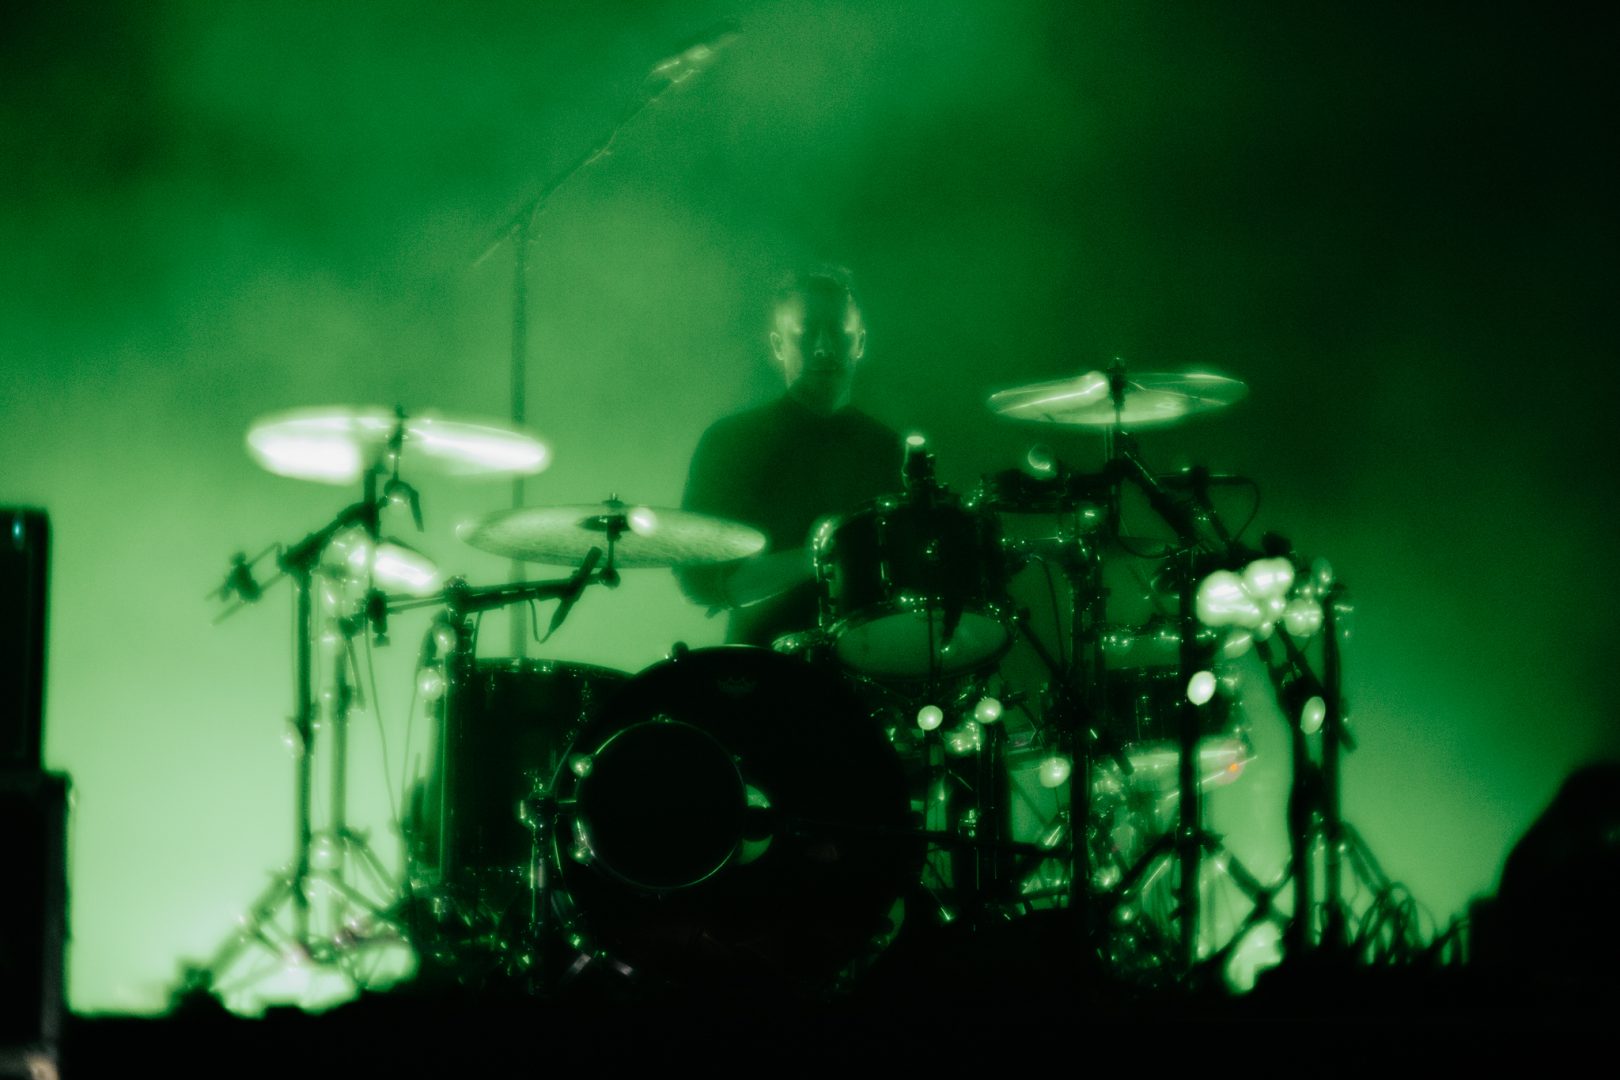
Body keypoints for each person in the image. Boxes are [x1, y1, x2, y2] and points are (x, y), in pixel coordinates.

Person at [677, 268, 904, 648]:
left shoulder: (889, 448)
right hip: (765, 664)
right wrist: (819, 556)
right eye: (806, 332)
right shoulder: (731, 441)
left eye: (837, 332)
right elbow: (698, 581)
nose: (823, 347)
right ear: (778, 345)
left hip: (876, 661)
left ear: (860, 342)